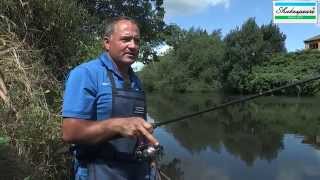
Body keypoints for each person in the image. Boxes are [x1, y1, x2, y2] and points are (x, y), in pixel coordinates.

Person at [62, 16, 159, 180]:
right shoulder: (86, 74)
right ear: (107, 43)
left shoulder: (136, 80)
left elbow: (138, 128)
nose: (133, 45)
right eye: (126, 39)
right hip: (98, 171)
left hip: (137, 169)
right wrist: (118, 125)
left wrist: (150, 159)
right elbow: (70, 132)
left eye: (137, 41)